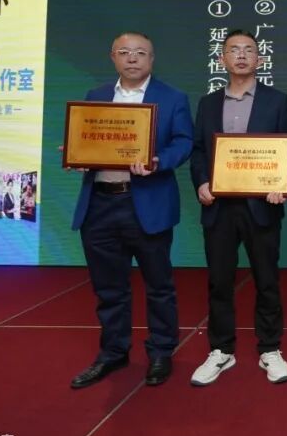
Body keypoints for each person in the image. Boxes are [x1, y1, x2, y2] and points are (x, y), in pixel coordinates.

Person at [68, 32, 193, 390]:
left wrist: (158, 161)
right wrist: (76, 155)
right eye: (124, 52)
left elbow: (184, 142)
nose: (132, 58)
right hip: (100, 204)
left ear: (152, 59)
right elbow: (85, 140)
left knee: (159, 285)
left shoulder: (172, 97)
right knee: (109, 287)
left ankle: (161, 352)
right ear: (113, 57)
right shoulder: (95, 96)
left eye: (140, 53)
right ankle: (113, 352)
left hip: (147, 202)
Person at [189, 29, 287, 387]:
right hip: (218, 207)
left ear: (259, 59)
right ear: (222, 59)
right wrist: (202, 182)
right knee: (219, 280)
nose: (241, 55)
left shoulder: (277, 101)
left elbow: (285, 150)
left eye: (249, 50)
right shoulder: (208, 104)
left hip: (261, 206)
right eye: (233, 49)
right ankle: (221, 349)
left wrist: (280, 185)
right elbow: (199, 151)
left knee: (267, 280)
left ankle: (270, 348)